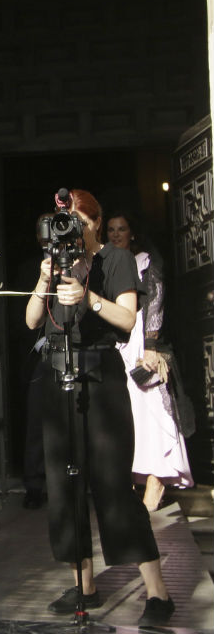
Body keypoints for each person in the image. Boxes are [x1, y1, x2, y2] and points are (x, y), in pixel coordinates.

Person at [25, 189, 175, 627]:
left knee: (112, 485)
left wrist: (88, 299)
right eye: (63, 222)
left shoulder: (116, 259)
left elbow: (129, 321)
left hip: (101, 378)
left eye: (79, 223)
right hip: (56, 377)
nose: (71, 231)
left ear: (95, 221)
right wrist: (44, 280)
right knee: (64, 486)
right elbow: (33, 320)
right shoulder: (55, 262)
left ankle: (157, 593)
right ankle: (85, 585)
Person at [106, 211, 192, 510]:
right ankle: (128, 483)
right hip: (117, 344)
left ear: (132, 233)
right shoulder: (106, 263)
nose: (116, 234)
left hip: (141, 341)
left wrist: (152, 346)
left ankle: (155, 483)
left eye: (122, 229)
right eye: (111, 230)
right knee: (124, 416)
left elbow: (154, 302)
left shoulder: (145, 262)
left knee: (150, 412)